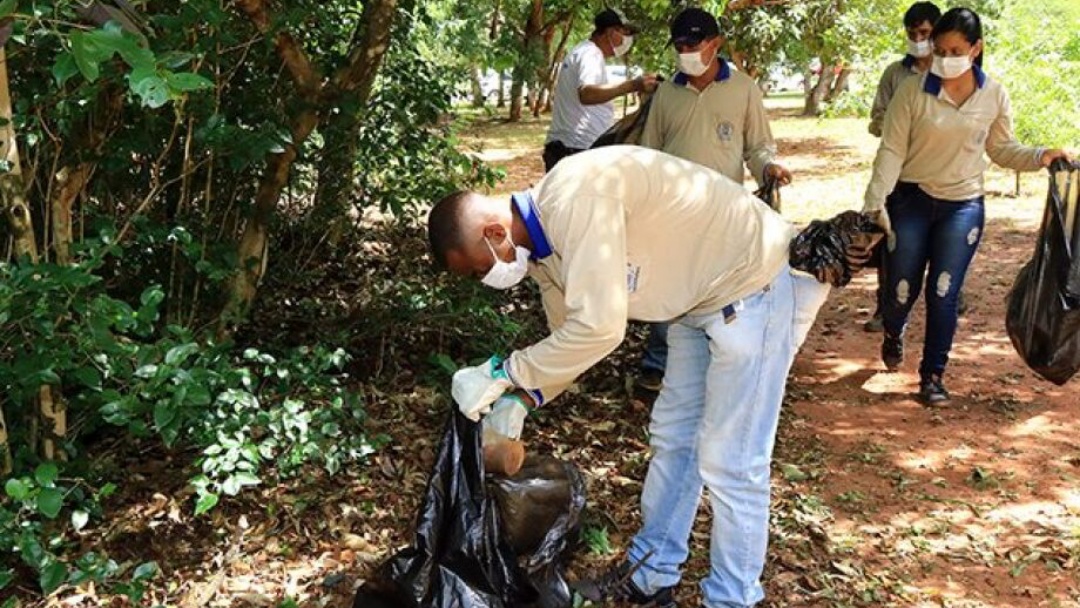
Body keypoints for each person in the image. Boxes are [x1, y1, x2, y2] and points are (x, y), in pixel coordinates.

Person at [429, 146, 831, 608]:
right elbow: (571, 341)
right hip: (697, 303)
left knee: (732, 460)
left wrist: (503, 371)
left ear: (495, 232)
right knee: (673, 440)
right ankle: (653, 573)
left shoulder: (578, 198)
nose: (487, 279)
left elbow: (599, 328)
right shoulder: (543, 255)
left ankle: (732, 598)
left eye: (481, 269)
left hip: (755, 282)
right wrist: (522, 398)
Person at [862, 7, 1072, 405]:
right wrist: (874, 204)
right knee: (901, 289)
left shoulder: (993, 94)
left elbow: (1002, 149)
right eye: (939, 51)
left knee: (944, 291)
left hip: (962, 206)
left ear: (976, 49)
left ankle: (933, 376)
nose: (945, 59)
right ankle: (893, 329)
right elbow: (891, 151)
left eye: (955, 51)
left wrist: (1040, 155)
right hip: (911, 200)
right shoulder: (912, 91)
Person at [633, 7, 792, 397]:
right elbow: (648, 154)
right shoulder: (667, 93)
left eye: (693, 44)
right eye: (680, 46)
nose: (685, 52)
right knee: (668, 283)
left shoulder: (743, 89)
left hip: (724, 210)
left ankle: (715, 361)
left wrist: (768, 168)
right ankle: (657, 363)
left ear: (715, 44)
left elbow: (757, 147)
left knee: (717, 287)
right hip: (671, 210)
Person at [864, 2, 942, 333]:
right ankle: (886, 308)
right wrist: (898, 126)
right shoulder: (895, 74)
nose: (918, 40)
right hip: (898, 174)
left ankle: (949, 293)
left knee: (942, 236)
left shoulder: (953, 74)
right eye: (912, 34)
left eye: (924, 33)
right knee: (891, 242)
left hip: (940, 173)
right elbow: (876, 119)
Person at [543, 8, 658, 172]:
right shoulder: (591, 53)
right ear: (610, 32)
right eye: (625, 33)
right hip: (578, 149)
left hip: (570, 146)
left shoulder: (583, 51)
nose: (628, 40)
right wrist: (633, 85)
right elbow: (587, 94)